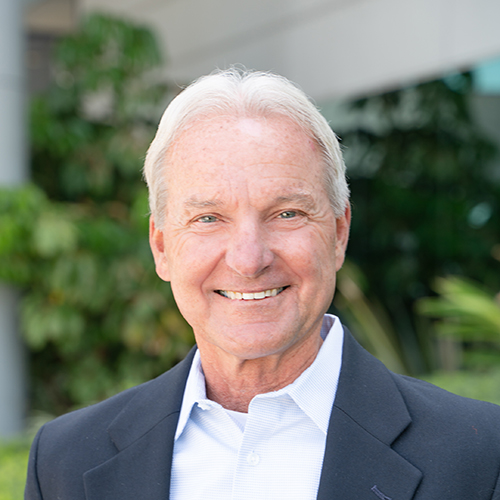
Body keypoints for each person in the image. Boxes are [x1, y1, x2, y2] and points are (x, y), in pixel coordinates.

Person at [26, 68, 500, 500]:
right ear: (162, 246)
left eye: (287, 213)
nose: (249, 260)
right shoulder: (64, 462)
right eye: (209, 218)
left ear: (338, 233)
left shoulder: (480, 457)